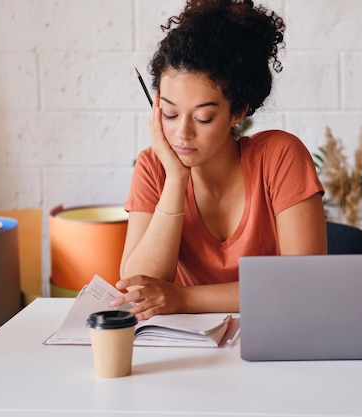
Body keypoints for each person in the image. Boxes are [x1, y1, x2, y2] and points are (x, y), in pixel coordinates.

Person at [111, 0, 327, 320]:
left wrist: (184, 298)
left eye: (203, 118)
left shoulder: (280, 157)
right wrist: (176, 180)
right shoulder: (153, 168)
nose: (182, 133)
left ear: (237, 112)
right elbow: (136, 290)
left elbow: (304, 285)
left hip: (275, 337)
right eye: (170, 113)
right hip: (188, 352)